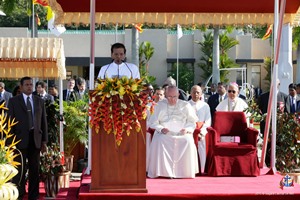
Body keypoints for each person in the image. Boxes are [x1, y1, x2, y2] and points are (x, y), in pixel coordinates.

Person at [7, 76, 48, 200]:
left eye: (31, 84)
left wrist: (44, 141)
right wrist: (10, 143)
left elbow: (43, 121)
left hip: (35, 140)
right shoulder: (14, 101)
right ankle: (19, 194)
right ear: (21, 86)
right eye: (27, 85)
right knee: (19, 170)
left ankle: (33, 195)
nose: (30, 87)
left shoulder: (39, 100)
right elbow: (10, 122)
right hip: (19, 141)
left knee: (34, 170)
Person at [147, 86, 199, 178]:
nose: (172, 99)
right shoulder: (159, 105)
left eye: (174, 96)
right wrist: (161, 128)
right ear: (166, 95)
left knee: (188, 140)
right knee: (160, 140)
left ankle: (184, 172)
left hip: (182, 132)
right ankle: (163, 172)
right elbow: (153, 122)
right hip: (164, 133)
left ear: (178, 95)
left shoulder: (185, 105)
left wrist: (187, 129)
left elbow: (192, 122)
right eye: (169, 97)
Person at [188, 85, 211, 174]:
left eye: (198, 92)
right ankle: (190, 169)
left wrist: (202, 132)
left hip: (201, 131)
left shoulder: (205, 106)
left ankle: (202, 168)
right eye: (194, 92)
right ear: (190, 93)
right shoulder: (186, 105)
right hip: (190, 130)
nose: (196, 94)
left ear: (201, 94)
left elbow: (208, 120)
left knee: (202, 143)